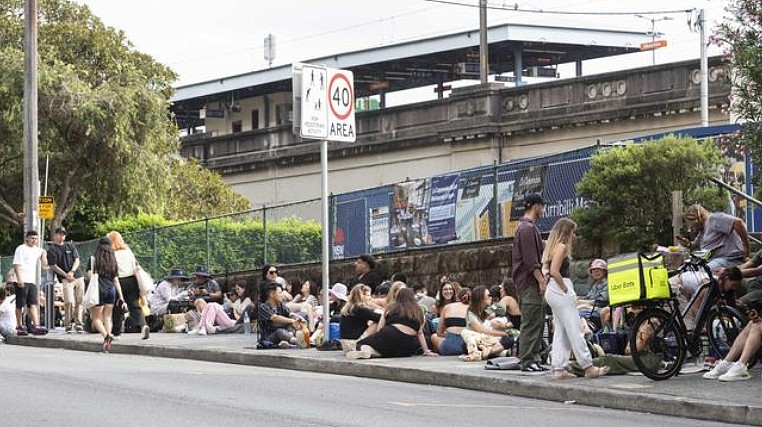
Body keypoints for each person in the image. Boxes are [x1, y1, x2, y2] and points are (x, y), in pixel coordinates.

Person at [542, 218, 608, 379]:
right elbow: (555, 270)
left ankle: (559, 368)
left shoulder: (550, 248)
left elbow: (546, 269)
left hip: (552, 290)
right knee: (575, 328)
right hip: (561, 288)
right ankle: (588, 366)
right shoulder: (562, 246)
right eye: (572, 232)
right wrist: (566, 289)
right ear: (566, 232)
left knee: (561, 331)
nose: (574, 235)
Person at [347, 288, 438, 359]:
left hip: (390, 333)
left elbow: (380, 327)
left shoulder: (392, 307)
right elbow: (420, 333)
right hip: (408, 344)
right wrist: (426, 350)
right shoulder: (419, 311)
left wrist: (376, 338)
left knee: (359, 344)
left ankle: (371, 351)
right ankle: (377, 352)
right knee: (398, 351)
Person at [511, 193, 546, 372]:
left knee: (537, 321)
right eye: (542, 206)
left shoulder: (527, 228)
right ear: (536, 206)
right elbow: (531, 260)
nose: (543, 210)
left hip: (529, 282)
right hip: (529, 283)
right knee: (531, 322)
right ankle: (527, 359)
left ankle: (534, 358)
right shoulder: (527, 229)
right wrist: (541, 280)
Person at [679, 204, 750, 272]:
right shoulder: (702, 230)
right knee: (688, 269)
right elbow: (695, 245)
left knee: (702, 273)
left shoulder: (714, 219)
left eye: (692, 223)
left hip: (729, 259)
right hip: (712, 260)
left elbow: (738, 223)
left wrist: (746, 246)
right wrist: (688, 244)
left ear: (698, 218)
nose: (692, 227)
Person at [106, 231, 149, 339]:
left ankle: (116, 333)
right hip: (132, 280)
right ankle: (143, 325)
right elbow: (135, 266)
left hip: (119, 281)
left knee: (118, 306)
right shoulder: (128, 251)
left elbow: (111, 270)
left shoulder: (111, 253)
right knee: (135, 305)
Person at [89, 237, 127, 353]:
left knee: (96, 318)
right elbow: (116, 280)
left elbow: (89, 275)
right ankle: (107, 342)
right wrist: (121, 296)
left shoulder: (94, 259)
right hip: (111, 290)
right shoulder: (113, 261)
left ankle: (106, 336)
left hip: (99, 289)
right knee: (107, 317)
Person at [47, 227, 85, 333]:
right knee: (69, 301)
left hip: (78, 275)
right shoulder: (52, 250)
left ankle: (79, 323)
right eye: (59, 234)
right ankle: (68, 324)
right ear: (55, 235)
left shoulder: (70, 246)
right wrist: (66, 275)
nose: (61, 236)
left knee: (80, 301)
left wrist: (72, 271)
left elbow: (77, 260)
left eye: (63, 234)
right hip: (65, 278)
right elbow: (53, 266)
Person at [461, 286, 513, 361]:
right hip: (474, 341)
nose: (491, 297)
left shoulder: (486, 310)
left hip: (487, 340)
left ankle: (485, 353)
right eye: (488, 295)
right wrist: (503, 333)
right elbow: (482, 330)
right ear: (481, 298)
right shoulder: (470, 313)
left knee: (509, 339)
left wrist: (506, 326)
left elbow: (502, 310)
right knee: (465, 333)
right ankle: (495, 352)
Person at [12, 230, 48, 335]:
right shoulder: (21, 249)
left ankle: (36, 325)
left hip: (31, 280)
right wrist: (19, 279)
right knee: (20, 304)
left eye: (36, 239)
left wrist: (44, 257)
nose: (34, 240)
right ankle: (18, 325)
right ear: (27, 238)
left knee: (33, 303)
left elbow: (43, 252)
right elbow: (17, 265)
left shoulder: (38, 250)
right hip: (22, 279)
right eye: (32, 238)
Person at [189, 280, 254, 335]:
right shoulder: (238, 301)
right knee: (211, 305)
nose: (237, 291)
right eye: (236, 289)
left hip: (235, 323)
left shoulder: (248, 301)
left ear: (244, 289)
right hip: (229, 319)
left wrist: (234, 312)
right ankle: (202, 327)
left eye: (238, 289)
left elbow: (241, 320)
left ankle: (203, 327)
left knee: (213, 305)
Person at [257, 283, 309, 348]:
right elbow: (275, 318)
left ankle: (288, 341)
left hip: (285, 331)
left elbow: (290, 314)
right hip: (269, 336)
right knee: (280, 331)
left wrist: (298, 320)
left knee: (302, 315)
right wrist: (292, 321)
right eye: (280, 293)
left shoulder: (280, 305)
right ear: (272, 294)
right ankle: (297, 341)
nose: (282, 295)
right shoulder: (263, 307)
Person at [431, 288, 469, 355]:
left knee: (434, 336)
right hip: (468, 347)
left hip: (449, 347)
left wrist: (450, 336)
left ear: (457, 297)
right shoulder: (473, 308)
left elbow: (439, 332)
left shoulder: (447, 307)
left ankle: (436, 356)